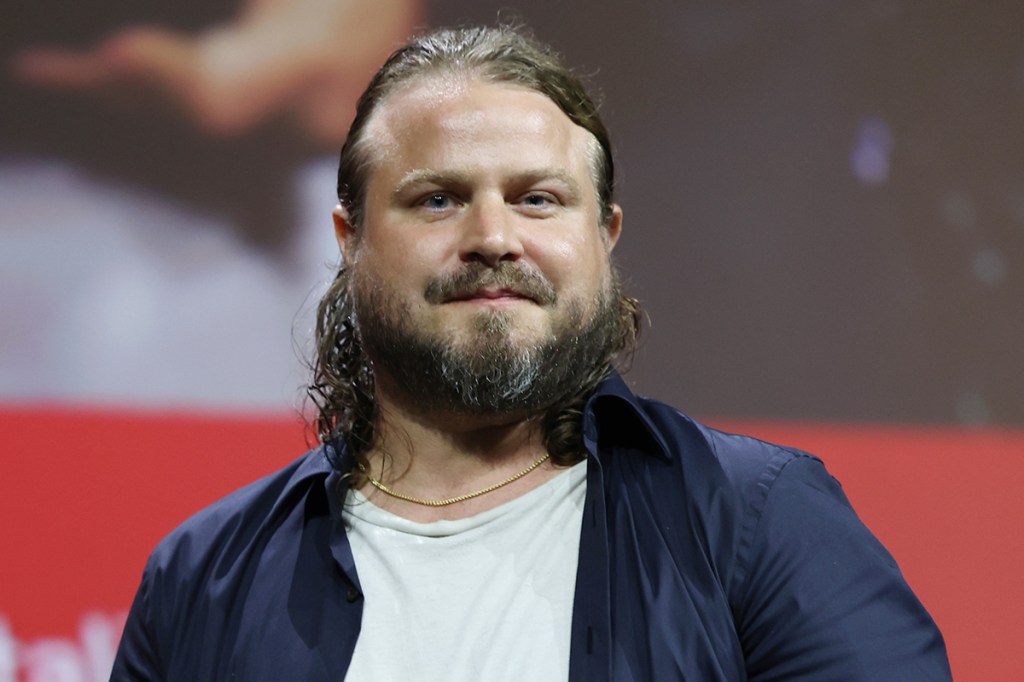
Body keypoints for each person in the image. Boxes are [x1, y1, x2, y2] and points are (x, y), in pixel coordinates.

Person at [111, 24, 951, 681]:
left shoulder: (763, 524)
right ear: (349, 239)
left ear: (603, 236)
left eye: (538, 199)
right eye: (437, 199)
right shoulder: (203, 578)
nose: (494, 237)